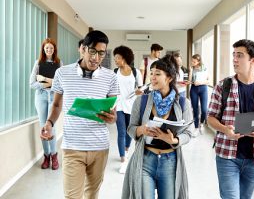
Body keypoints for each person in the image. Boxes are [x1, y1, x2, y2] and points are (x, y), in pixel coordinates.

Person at [41, 30, 120, 199]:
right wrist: (49, 123)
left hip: (99, 147)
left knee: (92, 194)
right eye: (92, 51)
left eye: (101, 53)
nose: (96, 58)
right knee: (72, 196)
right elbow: (56, 104)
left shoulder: (111, 77)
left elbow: (113, 112)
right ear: (83, 49)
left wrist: (113, 118)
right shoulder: (62, 73)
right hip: (72, 146)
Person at [207, 39, 254, 199]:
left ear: (253, 60)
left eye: (239, 55)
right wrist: (226, 130)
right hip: (227, 156)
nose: (234, 59)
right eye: (234, 55)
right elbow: (210, 118)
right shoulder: (222, 86)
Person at [122, 54, 193, 199]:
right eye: (151, 73)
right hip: (145, 159)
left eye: (157, 74)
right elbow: (130, 128)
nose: (152, 77)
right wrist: (142, 130)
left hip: (170, 161)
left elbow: (188, 133)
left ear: (169, 78)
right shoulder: (141, 101)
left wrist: (174, 140)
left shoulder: (184, 103)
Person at [29, 38, 63, 170]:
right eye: (47, 48)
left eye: (51, 48)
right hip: (41, 96)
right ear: (43, 49)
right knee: (43, 127)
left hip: (54, 96)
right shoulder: (38, 63)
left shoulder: (59, 63)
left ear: (54, 50)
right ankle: (46, 156)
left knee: (51, 126)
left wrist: (45, 80)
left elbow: (60, 83)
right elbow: (32, 83)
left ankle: (54, 155)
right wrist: (48, 83)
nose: (49, 50)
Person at [113, 45, 143, 174]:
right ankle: (123, 157)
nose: (115, 60)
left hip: (132, 105)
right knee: (121, 131)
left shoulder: (135, 72)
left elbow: (142, 88)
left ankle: (126, 148)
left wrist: (138, 92)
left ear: (124, 58)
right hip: (118, 105)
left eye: (117, 58)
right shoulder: (114, 72)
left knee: (130, 131)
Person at [189, 54, 209, 135]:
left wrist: (200, 82)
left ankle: (201, 123)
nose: (192, 62)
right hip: (194, 89)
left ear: (198, 61)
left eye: (194, 61)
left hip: (203, 88)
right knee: (195, 109)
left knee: (204, 110)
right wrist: (190, 71)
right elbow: (190, 81)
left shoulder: (204, 68)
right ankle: (196, 127)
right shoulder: (192, 68)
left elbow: (208, 81)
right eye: (192, 61)